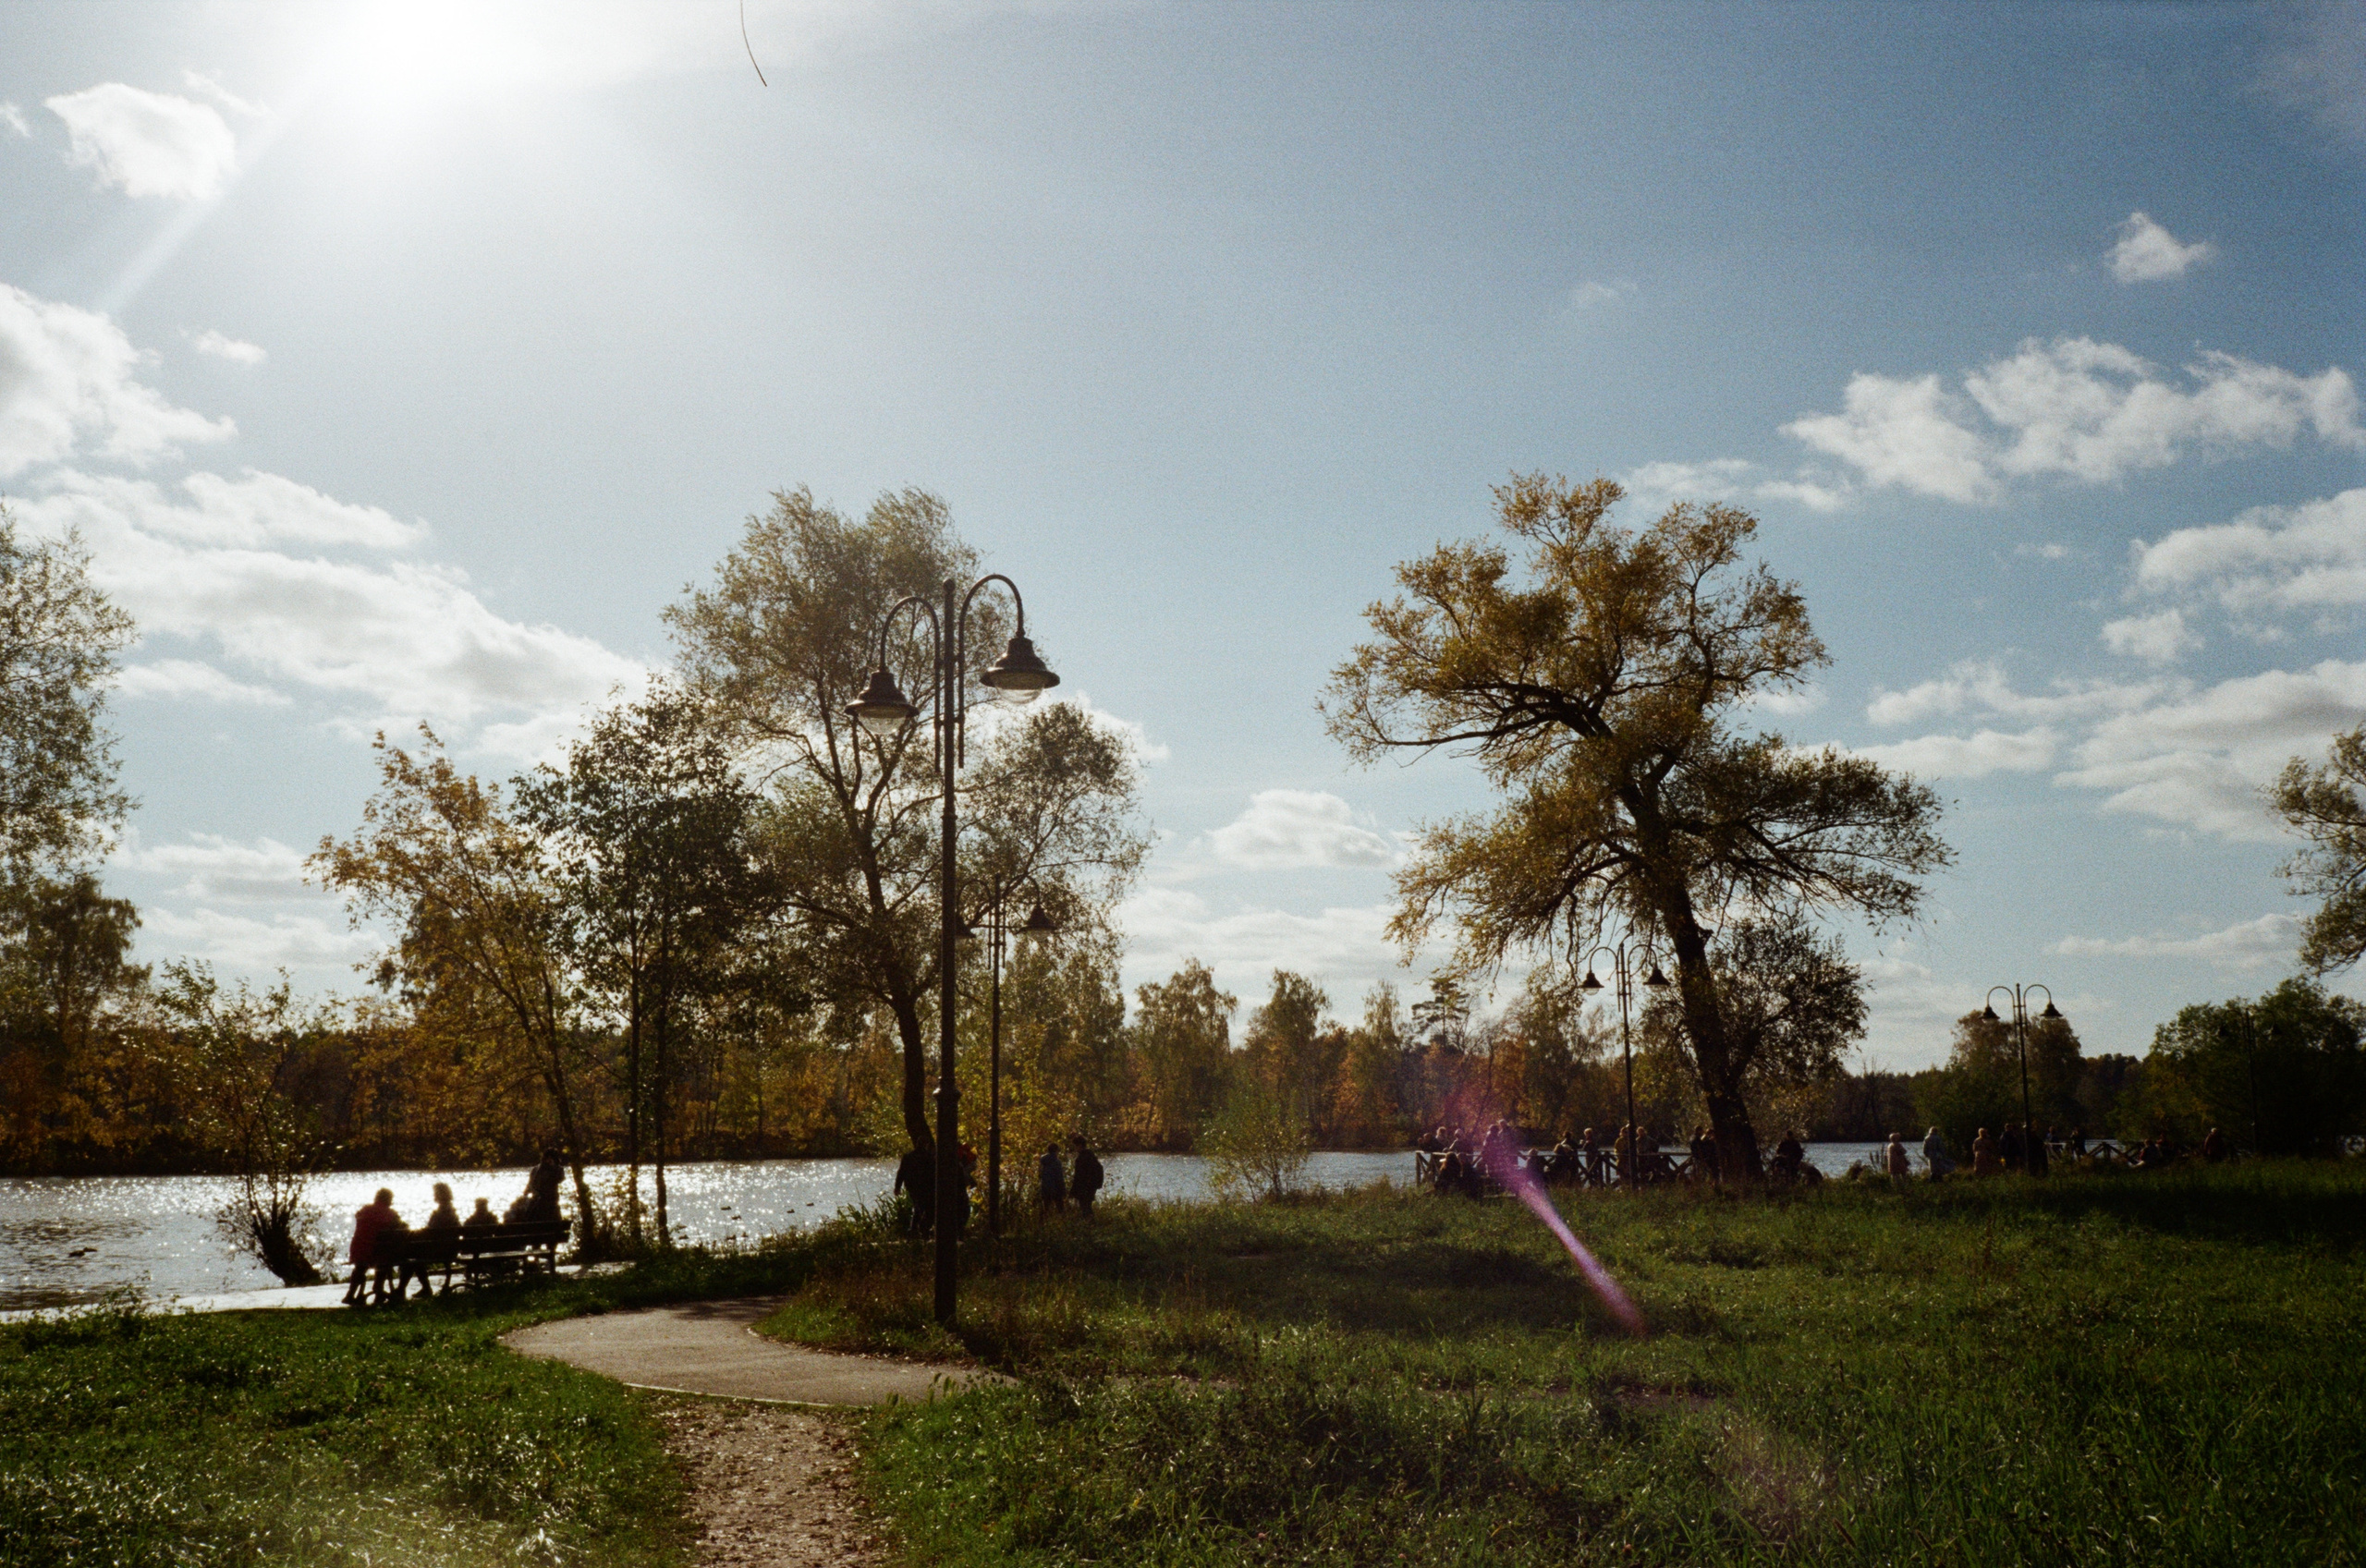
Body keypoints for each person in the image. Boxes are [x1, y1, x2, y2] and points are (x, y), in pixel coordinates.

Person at [344, 1188, 398, 1307]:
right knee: (383, 1259)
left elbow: (358, 1217)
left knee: (361, 1267)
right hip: (377, 1253)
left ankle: (350, 1294)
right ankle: (378, 1288)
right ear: (389, 1200)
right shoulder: (390, 1214)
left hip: (359, 1251)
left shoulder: (365, 1210)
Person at [894, 1145, 935, 1234]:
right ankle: (921, 1228)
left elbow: (901, 1172)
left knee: (918, 1206)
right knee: (924, 1207)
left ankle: (915, 1229)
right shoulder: (930, 1157)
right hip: (926, 1187)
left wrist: (898, 1187)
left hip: (912, 1186)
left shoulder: (908, 1157)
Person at [1070, 1136, 1104, 1218]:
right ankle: (1090, 1224)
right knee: (1087, 1206)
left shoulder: (1081, 1159)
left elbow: (1078, 1176)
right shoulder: (1092, 1157)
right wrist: (1098, 1184)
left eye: (1076, 1146)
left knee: (1084, 1207)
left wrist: (1073, 1190)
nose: (1075, 1149)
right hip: (1092, 1186)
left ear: (1080, 1146)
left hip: (1084, 1187)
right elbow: (1100, 1170)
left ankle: (1089, 1224)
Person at [1037, 1142, 1067, 1215]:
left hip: (1045, 1187)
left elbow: (1039, 1175)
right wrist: (1063, 1190)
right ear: (1056, 1151)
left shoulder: (1043, 1161)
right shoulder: (1057, 1162)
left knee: (1046, 1208)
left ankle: (1043, 1224)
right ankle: (1062, 1224)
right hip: (1056, 1189)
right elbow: (1059, 1177)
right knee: (1060, 1209)